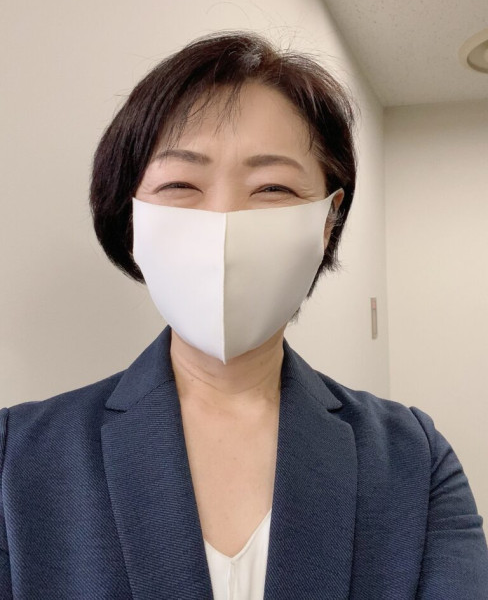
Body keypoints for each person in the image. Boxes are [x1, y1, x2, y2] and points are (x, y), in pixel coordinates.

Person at [0, 31, 487, 600]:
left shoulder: (413, 459)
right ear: (132, 220)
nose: (224, 223)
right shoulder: (17, 456)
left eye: (272, 187)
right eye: (181, 184)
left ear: (328, 221)